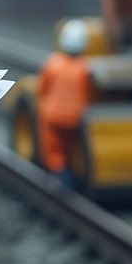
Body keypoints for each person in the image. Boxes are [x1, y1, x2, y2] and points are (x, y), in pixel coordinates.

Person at [38, 19, 94, 189]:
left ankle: (61, 180)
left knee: (54, 150)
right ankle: (68, 175)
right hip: (75, 117)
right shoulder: (85, 67)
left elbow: (43, 87)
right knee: (69, 148)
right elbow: (88, 93)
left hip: (53, 115)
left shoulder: (53, 63)